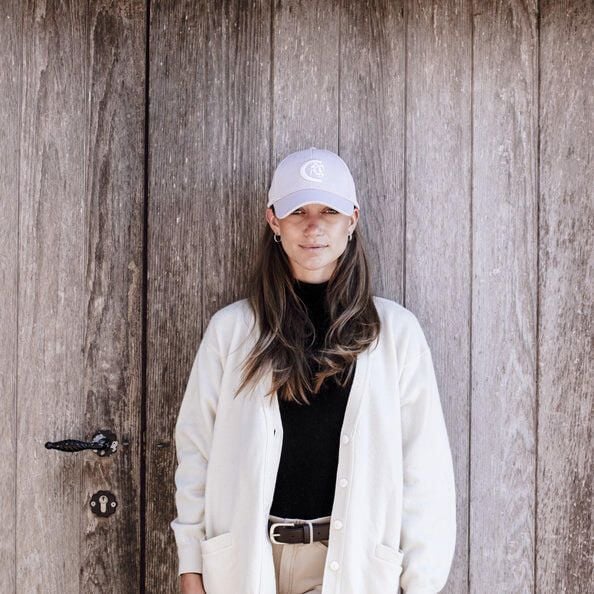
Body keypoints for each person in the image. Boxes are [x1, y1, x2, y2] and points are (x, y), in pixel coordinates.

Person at [170, 147, 456, 594]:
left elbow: (425, 469)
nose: (313, 226)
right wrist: (191, 564)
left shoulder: (396, 335)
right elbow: (196, 453)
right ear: (273, 221)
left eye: (330, 211)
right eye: (298, 211)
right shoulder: (231, 331)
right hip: (249, 563)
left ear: (352, 220)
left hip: (355, 567)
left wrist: (420, 584)